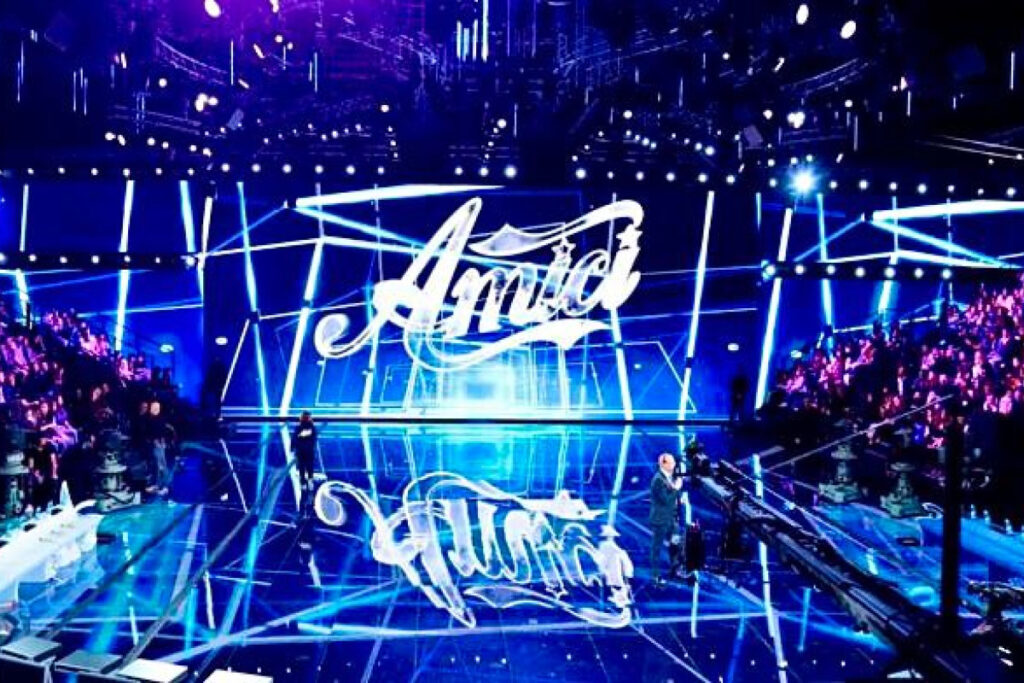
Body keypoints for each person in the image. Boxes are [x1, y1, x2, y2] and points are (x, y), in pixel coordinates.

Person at [649, 452, 681, 586]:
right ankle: (656, 577)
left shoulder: (669, 477)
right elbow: (665, 500)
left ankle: (675, 569)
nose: (674, 464)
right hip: (661, 519)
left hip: (671, 518)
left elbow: (671, 497)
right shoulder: (658, 480)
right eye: (671, 462)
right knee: (656, 548)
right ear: (663, 464)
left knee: (676, 542)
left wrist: (678, 500)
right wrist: (676, 489)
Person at [294, 411, 318, 491]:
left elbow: (313, 439)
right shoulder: (302, 427)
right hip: (304, 451)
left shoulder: (310, 427)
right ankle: (306, 482)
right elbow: (295, 438)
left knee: (306, 466)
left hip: (305, 450)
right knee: (305, 467)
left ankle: (306, 482)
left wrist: (302, 436)